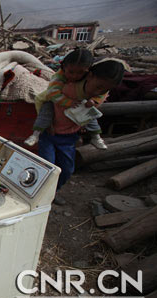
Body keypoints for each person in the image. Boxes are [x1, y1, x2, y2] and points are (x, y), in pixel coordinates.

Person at [37, 59, 126, 205]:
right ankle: (39, 196)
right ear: (89, 75)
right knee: (47, 168)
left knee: (66, 170)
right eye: (98, 86)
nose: (98, 92)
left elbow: (88, 116)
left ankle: (52, 193)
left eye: (103, 90)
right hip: (50, 133)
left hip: (69, 137)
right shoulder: (66, 89)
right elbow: (45, 101)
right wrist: (45, 123)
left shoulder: (97, 97)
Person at [25, 48, 108, 150]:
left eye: (80, 73)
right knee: (45, 113)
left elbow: (101, 91)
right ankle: (35, 134)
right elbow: (53, 92)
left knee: (90, 116)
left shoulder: (90, 79)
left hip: (79, 101)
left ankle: (96, 137)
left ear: (88, 71)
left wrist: (94, 101)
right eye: (71, 72)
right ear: (64, 67)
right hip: (51, 99)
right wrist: (69, 102)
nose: (75, 76)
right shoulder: (59, 76)